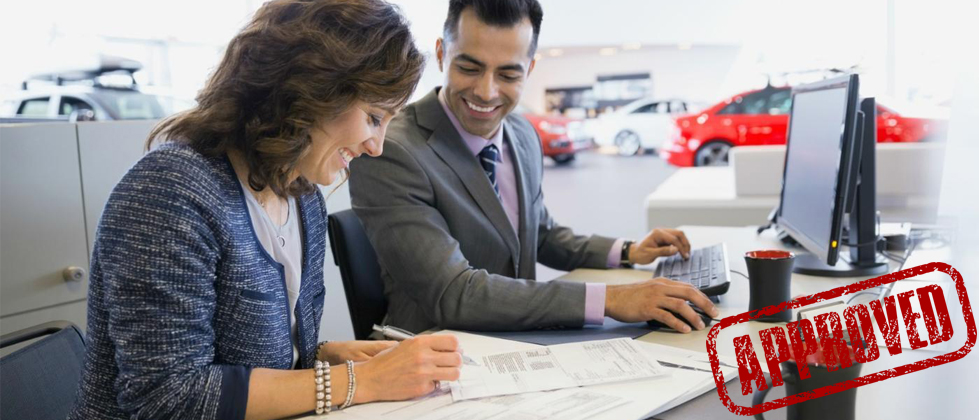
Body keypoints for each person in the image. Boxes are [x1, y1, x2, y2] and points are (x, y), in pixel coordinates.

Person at [68, 1, 462, 419]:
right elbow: (168, 398)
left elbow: (252, 358)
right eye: (373, 117)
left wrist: (325, 355)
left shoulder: (302, 194)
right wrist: (363, 381)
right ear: (313, 91)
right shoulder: (171, 192)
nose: (376, 145)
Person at [348, 0, 720, 335]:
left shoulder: (522, 135)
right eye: (470, 67)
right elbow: (453, 293)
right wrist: (611, 299)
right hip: (433, 355)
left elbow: (539, 234)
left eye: (508, 75)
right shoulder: (391, 150)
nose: (486, 91)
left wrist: (628, 250)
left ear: (530, 69)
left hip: (522, 340)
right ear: (442, 55)